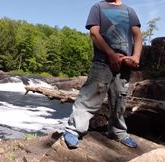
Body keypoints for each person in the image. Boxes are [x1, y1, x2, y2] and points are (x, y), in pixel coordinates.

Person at [64, 0, 142, 148]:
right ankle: (73, 130)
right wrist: (110, 54)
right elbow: (94, 33)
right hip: (102, 62)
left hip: (124, 64)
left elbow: (137, 36)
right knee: (90, 95)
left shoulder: (130, 11)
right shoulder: (98, 7)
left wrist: (136, 57)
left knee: (120, 99)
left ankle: (117, 132)